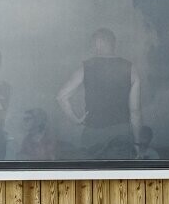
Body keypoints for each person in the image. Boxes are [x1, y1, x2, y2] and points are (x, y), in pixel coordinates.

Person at [57, 28, 139, 160]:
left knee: (93, 177)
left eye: (93, 43)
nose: (92, 47)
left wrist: (75, 120)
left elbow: (61, 97)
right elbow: (135, 110)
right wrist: (138, 143)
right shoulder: (130, 68)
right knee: (120, 177)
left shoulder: (86, 67)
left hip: (93, 134)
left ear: (99, 42)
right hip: (121, 132)